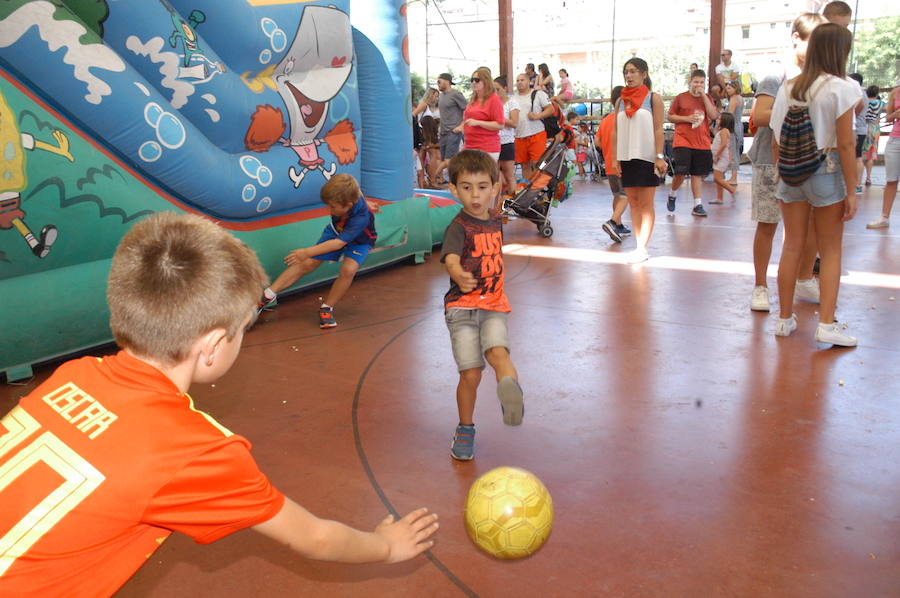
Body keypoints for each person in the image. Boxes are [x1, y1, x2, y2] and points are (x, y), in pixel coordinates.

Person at [0, 212, 439, 597]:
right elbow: (315, 538)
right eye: (243, 327)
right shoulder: (196, 452)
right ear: (211, 345)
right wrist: (386, 546)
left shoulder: (74, 375)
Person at [770, 23, 859, 346]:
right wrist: (852, 190)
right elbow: (847, 145)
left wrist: (783, 169)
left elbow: (777, 137)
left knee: (792, 244)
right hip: (826, 168)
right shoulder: (842, 88)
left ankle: (783, 319)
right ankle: (826, 324)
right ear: (840, 52)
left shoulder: (789, 87)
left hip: (791, 171)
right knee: (831, 248)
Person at [440, 150, 524, 461]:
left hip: (494, 303)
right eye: (466, 187)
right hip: (461, 308)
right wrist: (457, 271)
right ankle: (465, 427)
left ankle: (509, 388)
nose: (475, 195)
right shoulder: (458, 226)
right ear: (453, 189)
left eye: (482, 187)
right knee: (471, 374)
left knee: (498, 353)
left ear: (495, 186)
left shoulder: (495, 220)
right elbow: (449, 255)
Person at [747, 12, 826, 313]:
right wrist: (800, 106)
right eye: (814, 41)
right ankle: (760, 285)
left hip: (810, 161)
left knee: (808, 228)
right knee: (767, 224)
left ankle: (804, 277)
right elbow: (761, 115)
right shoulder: (775, 74)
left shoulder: (821, 75)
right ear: (796, 38)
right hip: (771, 160)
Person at [258, 174, 377, 329]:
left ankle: (327, 308)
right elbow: (358, 192)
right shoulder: (353, 194)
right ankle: (266, 296)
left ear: (348, 204)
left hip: (359, 241)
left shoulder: (361, 218)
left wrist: (307, 251)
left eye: (333, 207)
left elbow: (338, 243)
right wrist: (366, 202)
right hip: (337, 230)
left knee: (349, 270)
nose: (329, 210)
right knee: (309, 264)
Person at [610, 58, 667, 263]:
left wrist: (659, 156)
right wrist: (616, 158)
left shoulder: (654, 99)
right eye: (626, 72)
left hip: (647, 156)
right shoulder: (620, 101)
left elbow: (659, 129)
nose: (629, 75)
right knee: (633, 202)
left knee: (646, 203)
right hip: (626, 157)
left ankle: (643, 248)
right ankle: (638, 246)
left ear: (644, 74)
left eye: (633, 71)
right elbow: (616, 131)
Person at [666, 69, 720, 217]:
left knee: (697, 174)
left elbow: (713, 115)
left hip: (701, 141)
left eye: (702, 82)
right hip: (683, 139)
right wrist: (686, 119)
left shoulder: (707, 98)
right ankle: (672, 194)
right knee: (681, 172)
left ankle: (697, 204)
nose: (698, 85)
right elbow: (670, 116)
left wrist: (703, 96)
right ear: (690, 81)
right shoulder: (681, 98)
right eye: (696, 82)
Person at [596, 85, 631, 243]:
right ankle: (612, 221)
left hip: (609, 163)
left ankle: (619, 224)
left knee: (617, 195)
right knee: (626, 195)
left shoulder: (606, 120)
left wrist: (606, 150)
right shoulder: (626, 118)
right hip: (623, 164)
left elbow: (597, 142)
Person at [454, 67, 504, 162]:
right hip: (469, 145)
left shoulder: (494, 99)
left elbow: (500, 124)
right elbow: (468, 119)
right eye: (472, 80)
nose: (473, 82)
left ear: (485, 81)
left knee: (482, 176)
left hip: (486, 147)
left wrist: (478, 123)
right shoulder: (473, 99)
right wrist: (461, 126)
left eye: (477, 80)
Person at [867, 83, 899, 229]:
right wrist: (895, 114)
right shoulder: (896, 92)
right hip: (896, 140)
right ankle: (884, 217)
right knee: (891, 180)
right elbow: (888, 119)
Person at [512, 72, 554, 180]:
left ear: (529, 81)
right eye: (517, 80)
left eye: (522, 80)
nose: (519, 82)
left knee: (538, 164)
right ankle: (527, 189)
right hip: (519, 135)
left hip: (536, 133)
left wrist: (537, 116)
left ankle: (538, 189)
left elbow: (550, 109)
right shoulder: (512, 98)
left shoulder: (538, 94)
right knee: (524, 165)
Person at [433, 73, 468, 186]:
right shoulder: (441, 96)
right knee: (449, 161)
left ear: (447, 81)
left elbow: (468, 110)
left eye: (439, 81)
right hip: (443, 132)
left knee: (448, 161)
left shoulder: (456, 94)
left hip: (453, 132)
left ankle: (433, 178)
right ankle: (455, 183)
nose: (437, 83)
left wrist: (461, 126)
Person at [493, 75, 520, 199]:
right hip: (492, 142)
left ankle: (514, 202)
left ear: (504, 88)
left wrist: (500, 120)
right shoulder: (491, 103)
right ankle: (497, 202)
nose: (495, 92)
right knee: (494, 175)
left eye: (497, 89)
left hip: (506, 142)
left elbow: (514, 123)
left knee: (509, 175)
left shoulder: (512, 102)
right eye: (493, 90)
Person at [710, 112, 737, 204]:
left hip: (721, 157)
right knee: (719, 178)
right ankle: (719, 197)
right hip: (722, 157)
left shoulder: (724, 131)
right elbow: (728, 147)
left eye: (719, 119)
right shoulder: (721, 131)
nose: (717, 120)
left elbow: (724, 144)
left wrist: (717, 155)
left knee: (717, 178)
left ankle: (732, 190)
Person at [861, 85, 885, 188]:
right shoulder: (880, 103)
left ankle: (858, 179)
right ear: (877, 93)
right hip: (875, 129)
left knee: (861, 155)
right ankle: (868, 178)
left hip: (864, 127)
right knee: (870, 154)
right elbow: (889, 109)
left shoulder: (864, 102)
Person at [848, 73, 867, 193]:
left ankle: (856, 183)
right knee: (858, 156)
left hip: (857, 129)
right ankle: (857, 183)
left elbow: (860, 106)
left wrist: (853, 115)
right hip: (862, 128)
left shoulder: (857, 92)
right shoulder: (863, 93)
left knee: (856, 157)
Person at [724, 80, 744, 185]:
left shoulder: (734, 98)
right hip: (738, 125)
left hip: (732, 126)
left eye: (730, 88)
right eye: (727, 88)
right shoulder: (741, 98)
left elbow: (730, 114)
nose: (728, 90)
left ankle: (733, 177)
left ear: (735, 88)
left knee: (733, 151)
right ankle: (733, 176)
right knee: (735, 150)